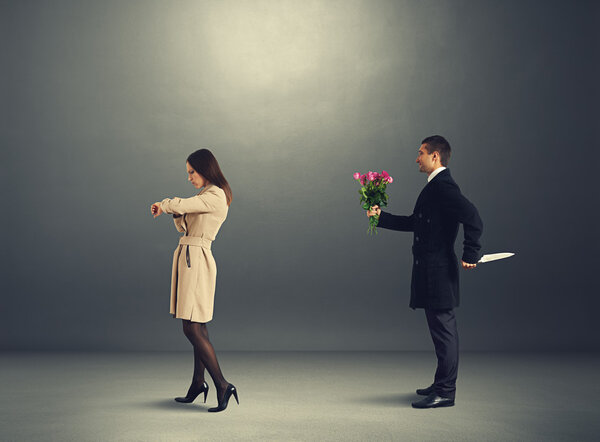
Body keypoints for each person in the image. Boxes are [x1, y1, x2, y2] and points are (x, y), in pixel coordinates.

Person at [367, 135, 483, 409]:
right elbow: (417, 223)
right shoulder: (435, 187)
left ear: (435, 157)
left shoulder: (443, 187)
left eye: (420, 153)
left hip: (439, 273)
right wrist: (380, 217)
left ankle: (445, 392)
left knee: (445, 333)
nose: (416, 158)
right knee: (439, 332)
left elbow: (473, 217)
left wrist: (471, 252)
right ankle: (440, 384)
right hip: (432, 273)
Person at [150, 148, 239, 413]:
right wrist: (172, 210)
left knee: (191, 327)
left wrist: (165, 204)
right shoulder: (205, 194)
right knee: (197, 326)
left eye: (192, 172)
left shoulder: (216, 195)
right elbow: (184, 222)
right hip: (189, 256)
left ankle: (222, 384)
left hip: (196, 260)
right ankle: (198, 383)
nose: (189, 177)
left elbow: (184, 205)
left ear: (205, 169)